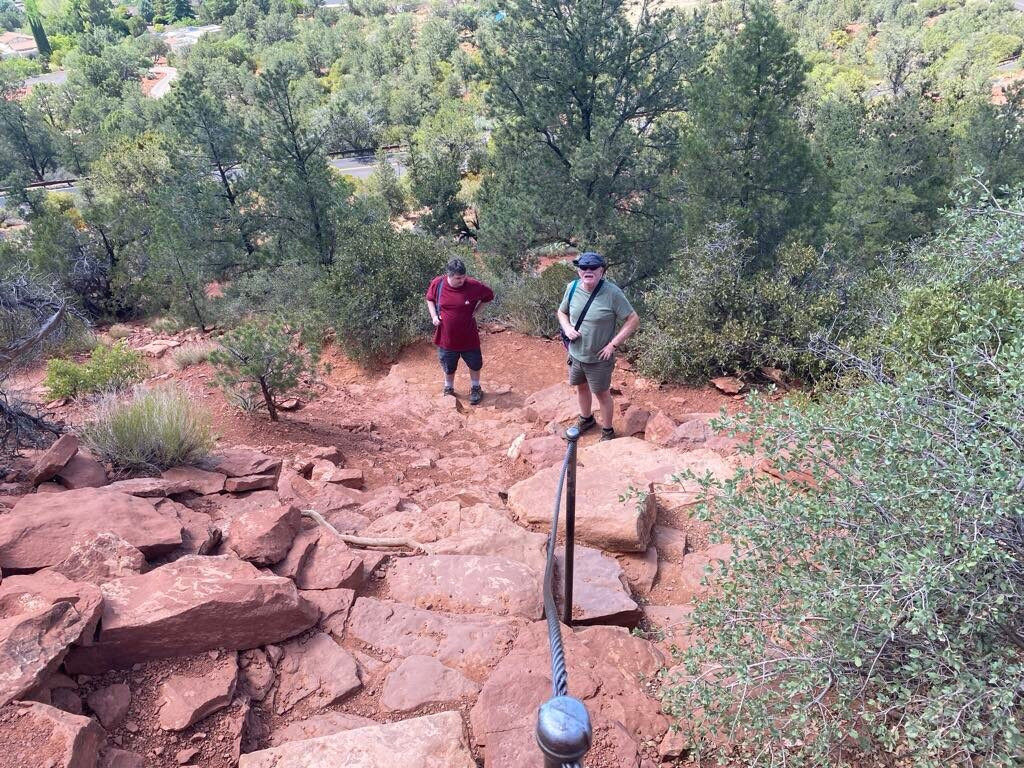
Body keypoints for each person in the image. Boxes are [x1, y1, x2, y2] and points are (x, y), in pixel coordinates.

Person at [557, 251, 640, 441]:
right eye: (583, 267)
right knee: (581, 387)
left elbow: (633, 319)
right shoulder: (572, 287)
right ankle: (586, 419)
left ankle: (608, 431)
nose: (588, 271)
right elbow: (561, 312)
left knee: (602, 394)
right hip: (576, 353)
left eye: (593, 267)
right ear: (579, 271)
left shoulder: (612, 293)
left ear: (601, 271)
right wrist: (567, 327)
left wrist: (613, 344)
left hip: (599, 358)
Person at [425, 258, 494, 405]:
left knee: (475, 364)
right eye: (458, 278)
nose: (462, 280)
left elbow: (489, 296)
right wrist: (434, 316)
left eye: (463, 277)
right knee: (448, 366)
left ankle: (475, 387)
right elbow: (429, 299)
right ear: (449, 275)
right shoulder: (438, 283)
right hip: (447, 338)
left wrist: (477, 311)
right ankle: (448, 388)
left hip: (469, 336)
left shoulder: (473, 285)